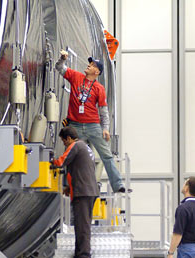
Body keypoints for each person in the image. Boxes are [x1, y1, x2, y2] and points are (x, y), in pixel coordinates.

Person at [55, 50, 125, 193]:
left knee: (106, 155)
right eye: (89, 63)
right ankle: (66, 184)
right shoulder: (76, 77)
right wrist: (62, 59)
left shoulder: (99, 88)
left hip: (93, 126)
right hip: (75, 126)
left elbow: (103, 111)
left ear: (97, 72)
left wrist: (105, 128)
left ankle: (117, 184)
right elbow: (60, 68)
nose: (89, 66)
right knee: (71, 155)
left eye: (92, 65)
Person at [53, 126, 99, 258]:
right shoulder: (84, 146)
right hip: (88, 190)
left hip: (83, 192)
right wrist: (69, 187)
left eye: (63, 141)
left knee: (82, 226)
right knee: (81, 224)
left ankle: (83, 254)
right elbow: (80, 169)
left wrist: (49, 162)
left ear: (68, 138)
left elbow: (61, 161)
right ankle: (80, 252)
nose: (64, 145)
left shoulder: (75, 145)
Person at [167, 177, 195, 258]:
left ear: (186, 188)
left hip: (187, 250)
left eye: (184, 183)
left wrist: (170, 253)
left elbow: (178, 233)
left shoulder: (183, 208)